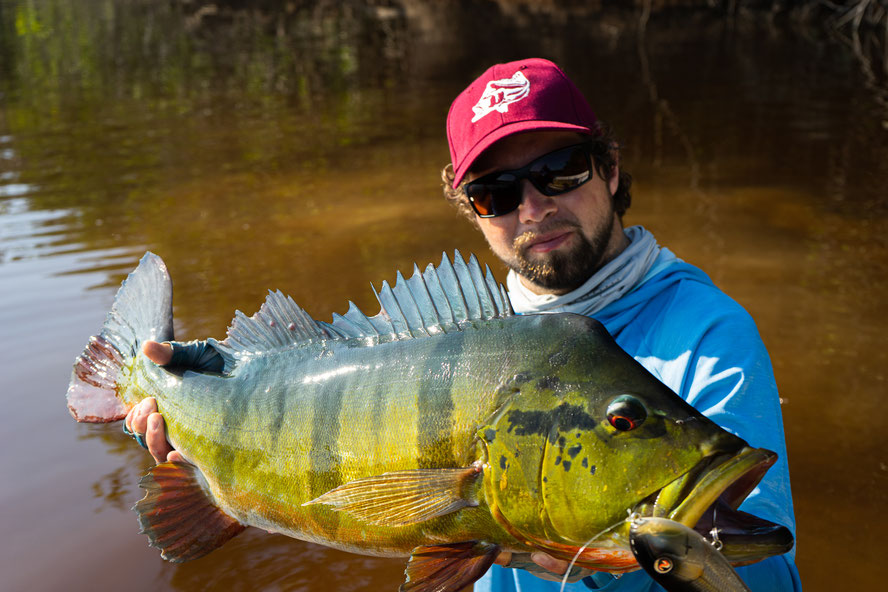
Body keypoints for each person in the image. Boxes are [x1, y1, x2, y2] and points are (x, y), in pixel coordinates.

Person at [126, 58, 801, 591]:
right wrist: (206, 394)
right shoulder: (462, 337)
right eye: (496, 193)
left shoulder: (708, 337)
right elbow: (323, 461)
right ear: (470, 209)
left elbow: (767, 583)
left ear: (610, 166)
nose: (533, 208)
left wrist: (600, 567)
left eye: (559, 171)